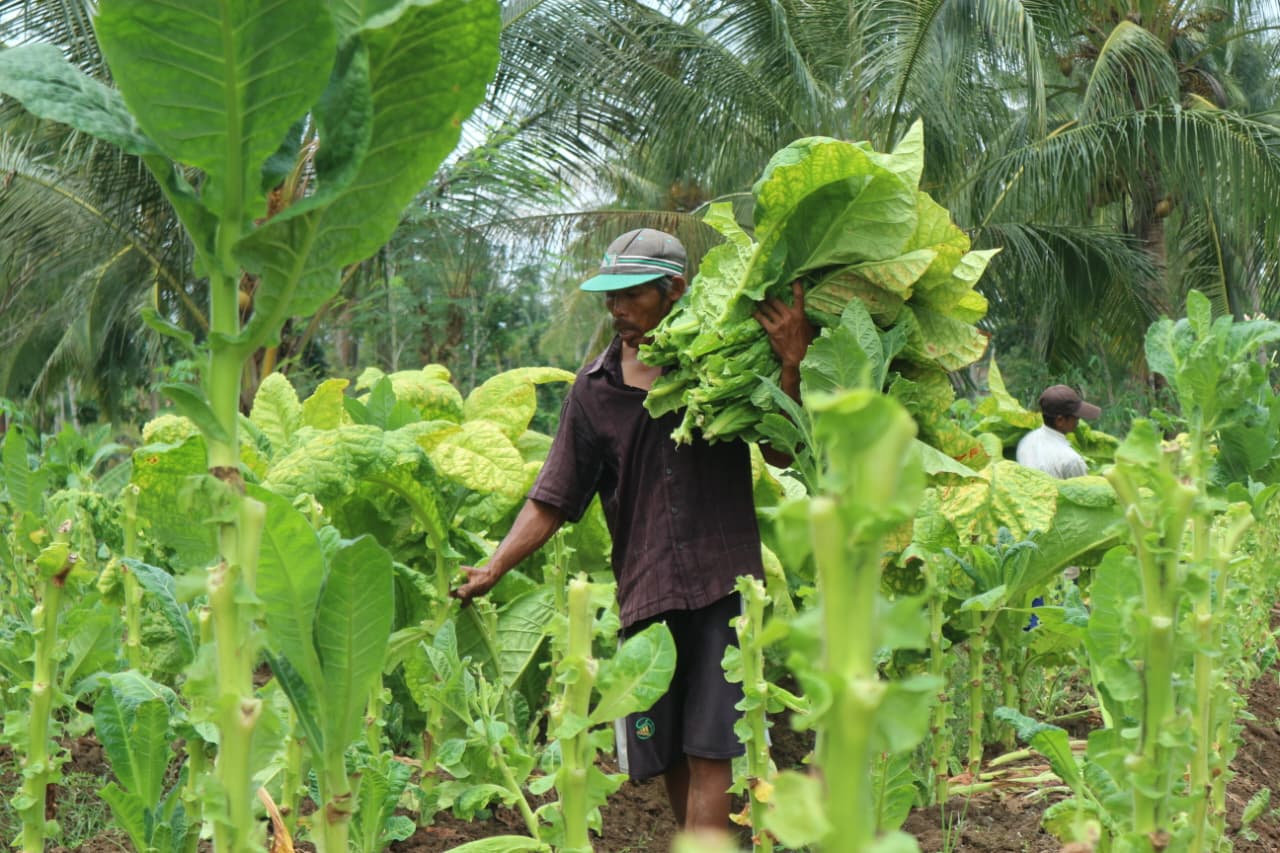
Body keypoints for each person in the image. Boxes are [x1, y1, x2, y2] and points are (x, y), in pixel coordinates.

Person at [451, 227, 812, 837]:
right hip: (646, 589)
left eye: (631, 295)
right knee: (663, 750)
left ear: (673, 290)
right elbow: (554, 496)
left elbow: (781, 452)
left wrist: (789, 367)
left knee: (712, 747)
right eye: (609, 297)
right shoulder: (594, 391)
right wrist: (494, 566)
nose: (616, 309)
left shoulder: (722, 363)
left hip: (723, 585)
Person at [1015, 384, 1102, 480]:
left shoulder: (1027, 441)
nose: (1078, 420)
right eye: (1076, 417)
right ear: (1060, 420)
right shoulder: (1071, 460)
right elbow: (1084, 492)